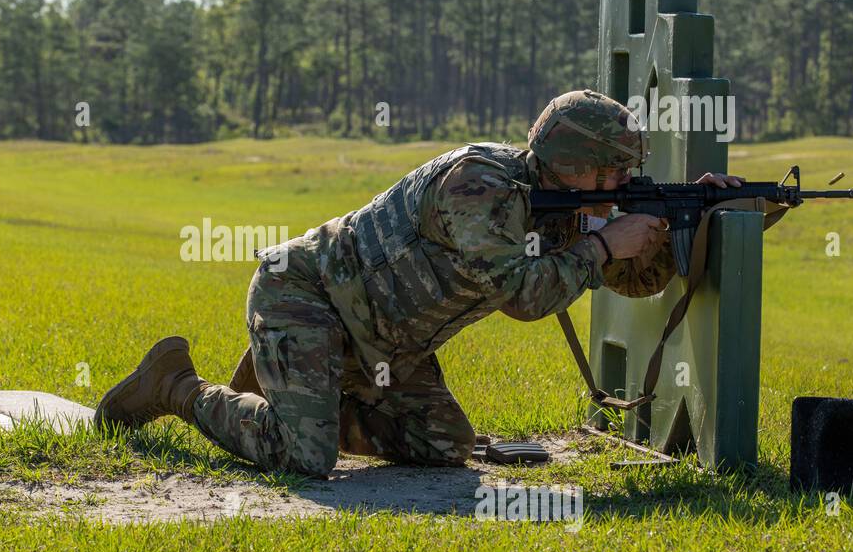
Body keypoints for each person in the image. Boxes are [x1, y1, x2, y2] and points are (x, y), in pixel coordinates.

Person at [94, 89, 745, 478]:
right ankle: (177, 385)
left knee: (444, 446)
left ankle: (285, 391)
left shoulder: (563, 206)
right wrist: (605, 240)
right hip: (306, 297)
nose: (617, 187)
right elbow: (525, 297)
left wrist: (704, 217)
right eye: (609, 174)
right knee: (306, 461)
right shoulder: (479, 187)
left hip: (382, 345)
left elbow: (635, 281)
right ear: (572, 163)